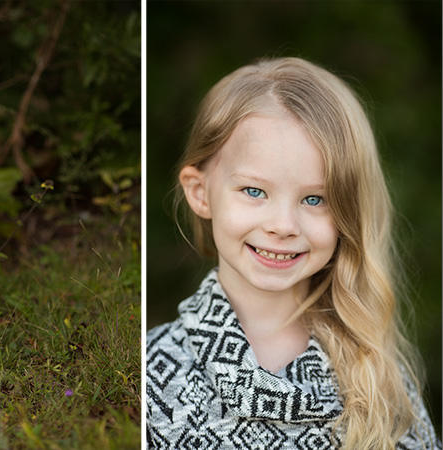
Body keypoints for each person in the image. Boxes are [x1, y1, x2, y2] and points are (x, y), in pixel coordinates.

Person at [146, 57, 441, 450]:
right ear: (200, 193)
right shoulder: (152, 373)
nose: (283, 225)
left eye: (315, 199)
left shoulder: (380, 378)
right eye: (254, 191)